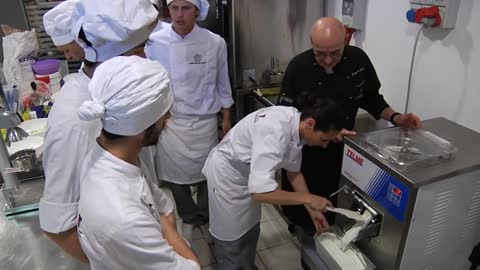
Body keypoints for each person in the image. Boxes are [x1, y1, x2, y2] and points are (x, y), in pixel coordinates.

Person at [278, 17, 422, 268]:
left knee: (337, 204)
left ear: (346, 40)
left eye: (335, 53)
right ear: (311, 44)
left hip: (344, 152)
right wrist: (320, 132)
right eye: (320, 54)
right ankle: (308, 251)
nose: (328, 60)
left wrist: (396, 117)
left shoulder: (358, 60)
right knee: (305, 209)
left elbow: (372, 98)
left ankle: (330, 246)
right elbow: (285, 116)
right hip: (305, 155)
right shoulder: (298, 67)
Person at [39, 0, 158, 262]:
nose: (146, 60)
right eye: (141, 50)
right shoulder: (75, 120)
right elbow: (57, 227)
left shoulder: (117, 92)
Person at [76, 56, 200, 270]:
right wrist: (167, 231)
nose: (168, 117)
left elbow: (163, 207)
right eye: (164, 112)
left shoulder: (110, 156)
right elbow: (192, 267)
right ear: (144, 123)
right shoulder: (123, 218)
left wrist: (162, 227)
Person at [202, 97, 346, 269]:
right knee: (231, 239)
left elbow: (293, 172)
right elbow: (261, 193)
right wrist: (308, 199)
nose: (325, 146)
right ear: (310, 123)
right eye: (324, 139)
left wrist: (311, 209)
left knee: (250, 228)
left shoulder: (295, 124)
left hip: (249, 178)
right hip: (228, 178)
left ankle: (245, 265)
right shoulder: (274, 131)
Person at [146, 0, 234, 237]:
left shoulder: (214, 42)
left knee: (207, 173)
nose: (179, 15)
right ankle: (187, 213)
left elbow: (222, 82)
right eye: (174, 8)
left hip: (205, 121)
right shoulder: (155, 41)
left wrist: (226, 120)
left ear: (197, 10)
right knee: (176, 178)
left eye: (186, 8)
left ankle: (205, 213)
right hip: (172, 122)